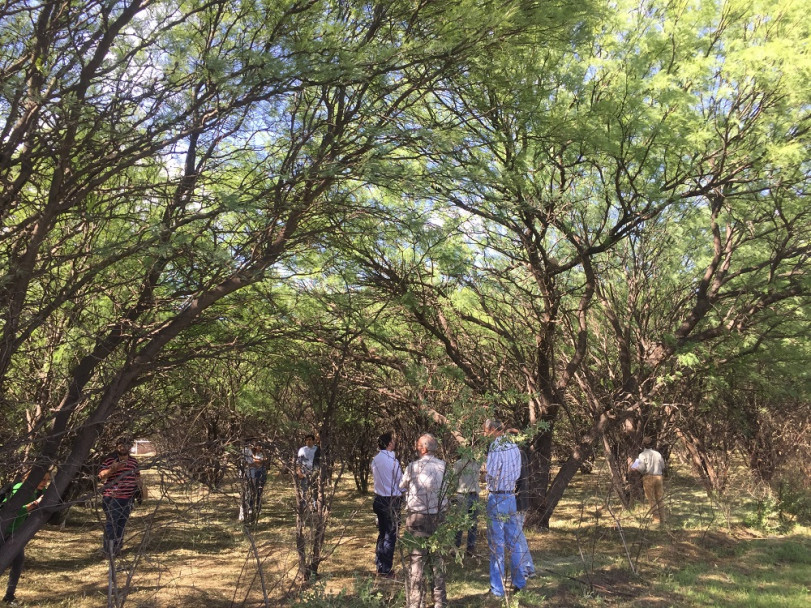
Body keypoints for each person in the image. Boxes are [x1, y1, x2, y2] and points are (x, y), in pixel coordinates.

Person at [400, 434, 449, 608]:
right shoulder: (443, 466)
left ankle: (416, 602)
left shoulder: (413, 467)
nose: (416, 447)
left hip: (417, 518)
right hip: (438, 517)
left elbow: (401, 485)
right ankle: (440, 602)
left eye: (418, 444)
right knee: (438, 560)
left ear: (423, 448)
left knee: (417, 561)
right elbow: (448, 489)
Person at [483, 419, 526, 598]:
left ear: (493, 430)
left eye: (486, 430)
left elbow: (491, 473)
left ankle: (497, 589)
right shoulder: (514, 447)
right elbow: (517, 473)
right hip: (510, 496)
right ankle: (519, 582)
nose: (485, 434)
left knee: (496, 545)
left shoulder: (495, 447)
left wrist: (487, 482)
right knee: (514, 542)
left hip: (498, 496)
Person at [2, 470, 50, 605]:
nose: (44, 482)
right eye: (42, 479)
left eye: (47, 480)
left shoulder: (39, 491)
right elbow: (8, 510)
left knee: (18, 561)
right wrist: (34, 504)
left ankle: (9, 596)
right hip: (4, 530)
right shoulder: (19, 489)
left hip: (16, 533)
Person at [98, 436, 143, 556]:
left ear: (130, 447)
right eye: (121, 445)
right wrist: (112, 470)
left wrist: (140, 491)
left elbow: (137, 477)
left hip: (128, 498)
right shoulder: (109, 460)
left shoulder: (133, 462)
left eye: (126, 445)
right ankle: (108, 550)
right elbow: (101, 476)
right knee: (112, 523)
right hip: (112, 497)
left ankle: (117, 549)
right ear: (116, 446)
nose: (123, 448)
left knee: (121, 523)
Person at [370, 431, 403, 577]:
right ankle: (386, 569)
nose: (394, 443)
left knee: (382, 533)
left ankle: (379, 564)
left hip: (378, 499)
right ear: (389, 444)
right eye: (393, 441)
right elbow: (401, 483)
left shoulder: (375, 460)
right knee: (391, 535)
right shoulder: (393, 462)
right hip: (391, 500)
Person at [630, 438, 666, 524]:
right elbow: (663, 466)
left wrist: (634, 465)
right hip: (659, 477)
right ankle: (663, 518)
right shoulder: (658, 454)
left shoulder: (642, 455)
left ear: (643, 445)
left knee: (651, 499)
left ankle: (656, 519)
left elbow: (641, 469)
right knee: (660, 499)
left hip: (648, 477)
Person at [514, 440, 536, 578]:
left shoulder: (518, 456)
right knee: (519, 536)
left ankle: (523, 570)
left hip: (517, 501)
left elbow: (516, 479)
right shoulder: (522, 454)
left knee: (516, 537)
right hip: (522, 500)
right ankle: (528, 568)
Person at [452, 453, 480, 557]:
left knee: (473, 522)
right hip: (462, 495)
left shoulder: (477, 463)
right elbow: (454, 478)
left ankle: (471, 547)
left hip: (475, 495)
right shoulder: (459, 464)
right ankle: (455, 547)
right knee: (460, 522)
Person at [242, 440, 267, 523]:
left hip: (261, 472)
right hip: (252, 473)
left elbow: (265, 459)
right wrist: (259, 461)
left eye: (260, 445)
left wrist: (261, 460)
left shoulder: (262, 453)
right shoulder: (250, 452)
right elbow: (253, 461)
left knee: (260, 490)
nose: (259, 447)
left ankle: (258, 507)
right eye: (257, 445)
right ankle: (250, 507)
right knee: (252, 490)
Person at [296, 434, 319, 508]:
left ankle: (315, 504)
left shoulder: (317, 449)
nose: (308, 441)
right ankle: (304, 504)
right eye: (307, 440)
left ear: (313, 441)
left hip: (314, 471)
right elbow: (299, 462)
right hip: (304, 471)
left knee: (314, 488)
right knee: (304, 488)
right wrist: (299, 471)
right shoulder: (302, 450)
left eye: (310, 439)